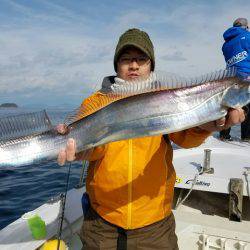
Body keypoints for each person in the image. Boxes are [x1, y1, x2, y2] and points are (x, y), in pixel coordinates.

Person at [57, 28, 246, 249]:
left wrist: (210, 125)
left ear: (151, 65)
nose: (134, 65)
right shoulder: (96, 102)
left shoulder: (167, 96)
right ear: (117, 65)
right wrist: (82, 149)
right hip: (102, 222)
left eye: (141, 59)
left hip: (154, 223)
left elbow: (186, 138)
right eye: (126, 59)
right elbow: (96, 148)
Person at [220, 17, 250, 141]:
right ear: (245, 26)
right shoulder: (247, 37)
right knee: (248, 105)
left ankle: (224, 135)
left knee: (230, 105)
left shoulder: (225, 44)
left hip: (231, 76)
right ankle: (247, 137)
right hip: (246, 76)